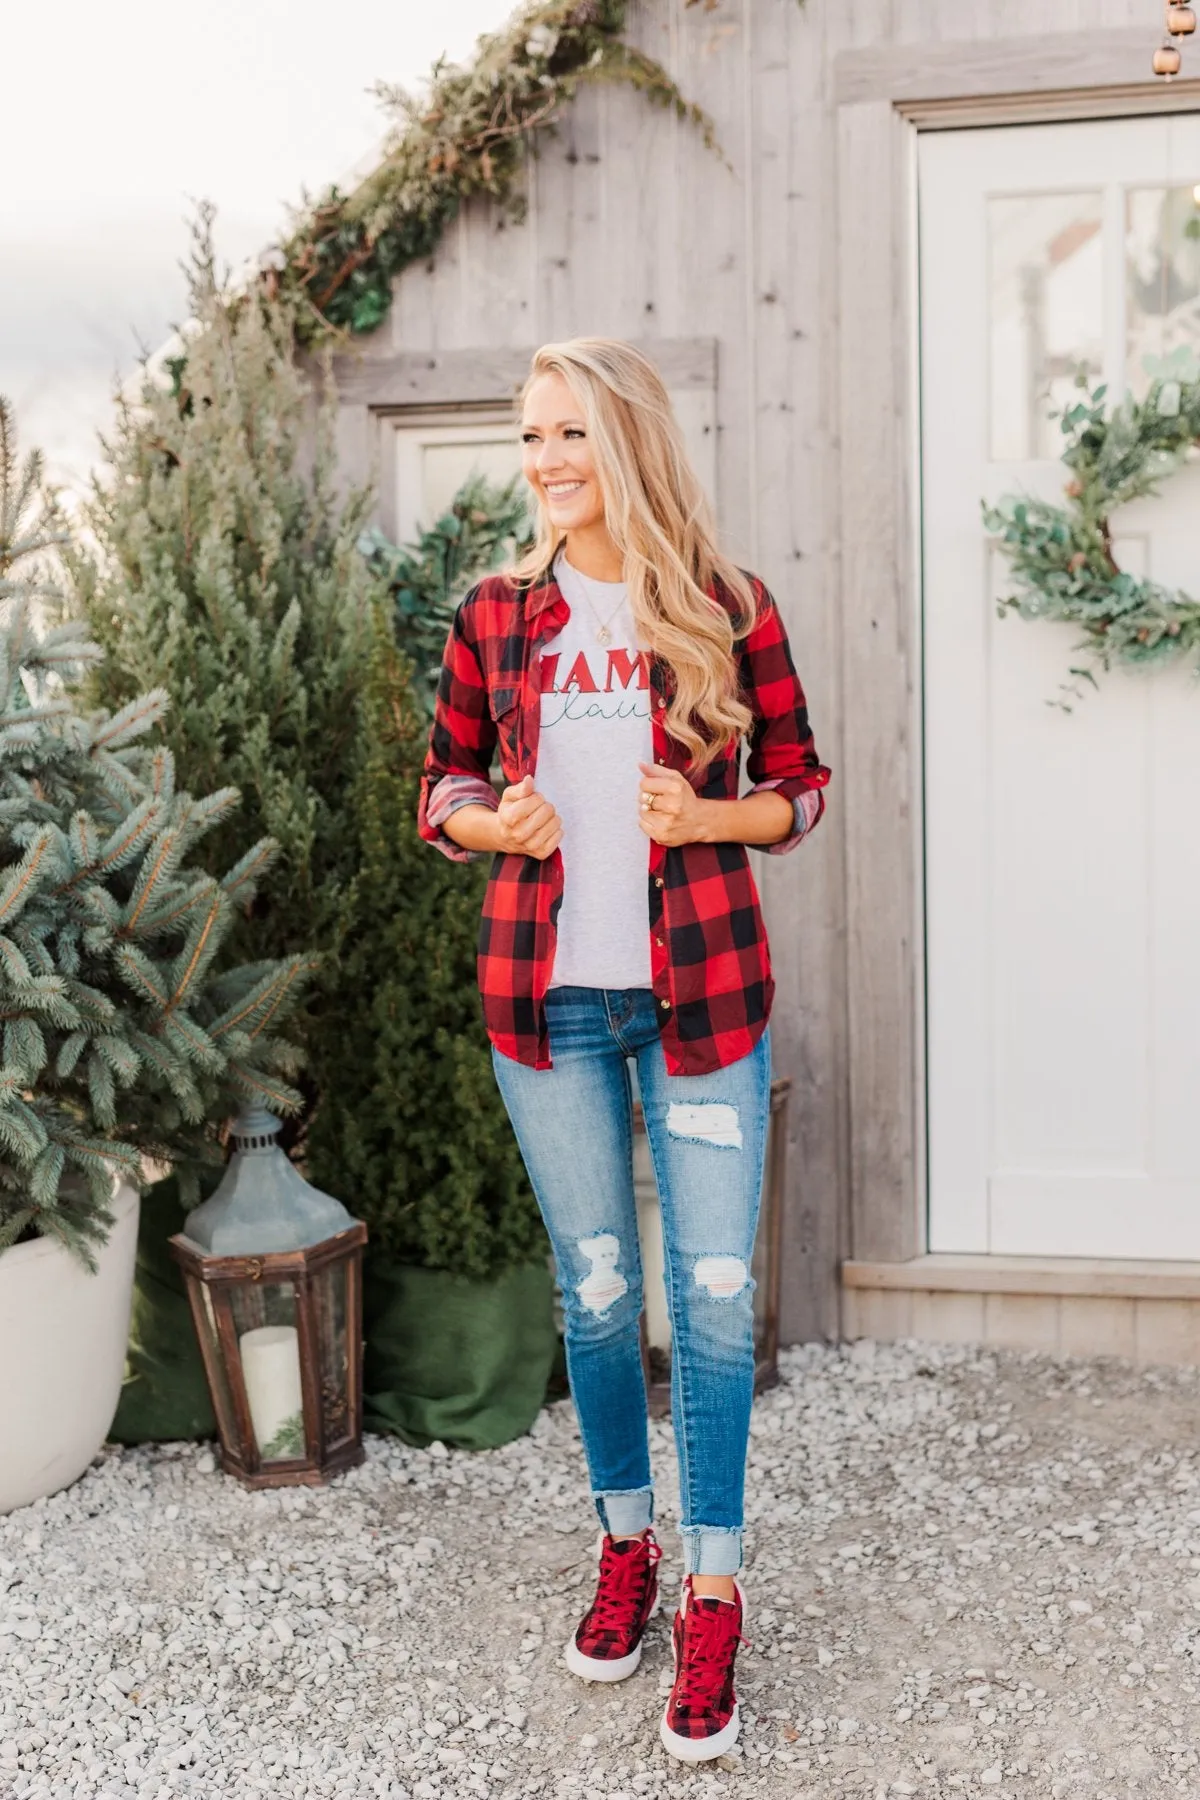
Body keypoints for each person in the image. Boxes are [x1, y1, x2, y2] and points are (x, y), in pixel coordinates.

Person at [418, 337, 830, 1763]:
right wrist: (489, 821)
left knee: (711, 1300)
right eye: (531, 438)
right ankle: (626, 1548)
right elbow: (442, 780)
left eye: (572, 435)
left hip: (704, 1000)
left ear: (630, 443)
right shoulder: (495, 614)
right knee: (596, 1298)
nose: (546, 463)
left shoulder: (725, 607)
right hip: (547, 1009)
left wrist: (705, 820)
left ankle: (714, 1586)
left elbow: (798, 787)